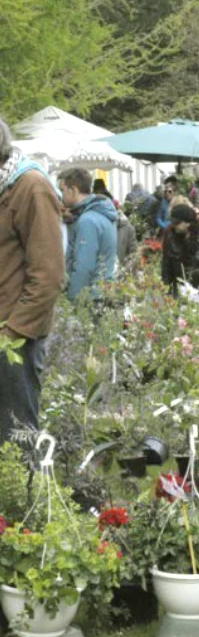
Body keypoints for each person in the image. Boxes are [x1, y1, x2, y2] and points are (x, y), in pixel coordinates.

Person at [0, 118, 64, 442]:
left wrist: (11, 333)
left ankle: (26, 493)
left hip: (15, 338)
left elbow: (48, 275)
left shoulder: (31, 187)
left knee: (16, 437)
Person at [58, 167, 118, 300]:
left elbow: (83, 268)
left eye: (62, 191)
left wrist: (72, 300)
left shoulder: (87, 221)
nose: (61, 196)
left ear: (73, 190)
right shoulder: (100, 212)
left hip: (90, 298)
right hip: (102, 292)